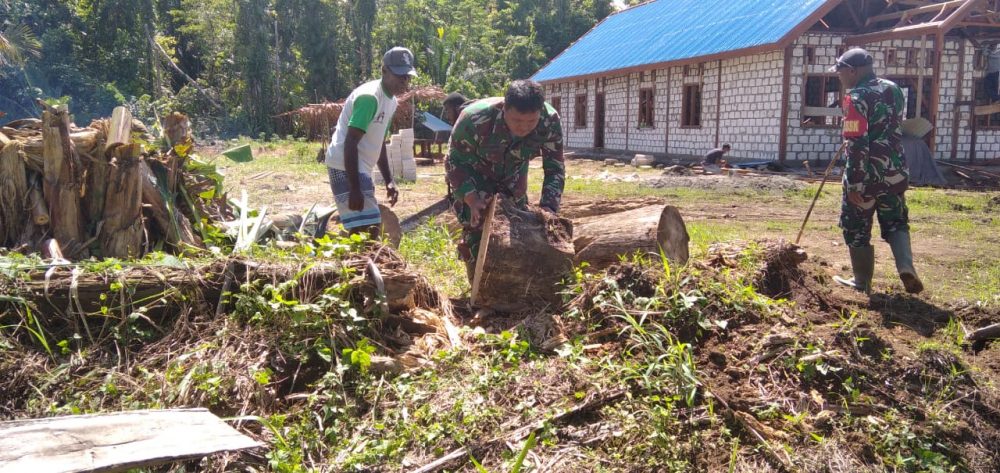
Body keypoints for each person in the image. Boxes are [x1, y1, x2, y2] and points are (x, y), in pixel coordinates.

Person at [445, 79, 564, 276]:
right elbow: (453, 162)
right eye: (517, 120)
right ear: (504, 108)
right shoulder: (474, 119)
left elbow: (555, 169)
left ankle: (513, 283)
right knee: (477, 226)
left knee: (518, 225)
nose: (524, 128)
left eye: (531, 121)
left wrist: (548, 209)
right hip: (475, 172)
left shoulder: (549, 120)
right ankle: (479, 284)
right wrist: (471, 198)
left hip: (513, 174)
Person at [830, 48, 923, 294]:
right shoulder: (893, 89)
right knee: (896, 220)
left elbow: (858, 143)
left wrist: (854, 183)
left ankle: (862, 281)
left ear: (852, 70)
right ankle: (906, 266)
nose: (839, 77)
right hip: (895, 171)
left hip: (868, 174)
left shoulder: (855, 98)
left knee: (855, 225)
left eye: (840, 72)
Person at [323, 46, 414, 235]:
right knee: (366, 229)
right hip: (344, 165)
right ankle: (360, 263)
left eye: (407, 76)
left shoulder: (392, 101)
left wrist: (389, 180)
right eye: (399, 76)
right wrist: (354, 188)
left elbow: (379, 141)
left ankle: (360, 262)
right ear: (384, 71)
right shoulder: (369, 98)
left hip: (361, 168)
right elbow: (350, 143)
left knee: (366, 228)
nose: (404, 81)